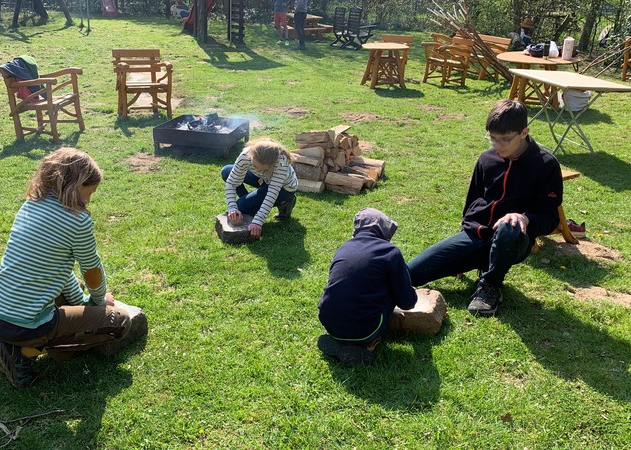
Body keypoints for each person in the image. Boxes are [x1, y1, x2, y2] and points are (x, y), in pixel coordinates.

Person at [0, 148, 132, 388]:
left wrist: (82, 303)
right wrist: (99, 303)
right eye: (89, 192)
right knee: (120, 321)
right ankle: (23, 355)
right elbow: (92, 270)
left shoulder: (30, 206)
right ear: (75, 185)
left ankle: (12, 341)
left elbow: (60, 272)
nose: (89, 200)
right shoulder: (78, 221)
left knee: (75, 291)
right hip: (23, 325)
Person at [407, 100, 563, 317]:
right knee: (408, 275)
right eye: (493, 139)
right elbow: (473, 201)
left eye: (505, 140)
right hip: (476, 236)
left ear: (524, 132)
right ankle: (480, 262)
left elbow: (550, 218)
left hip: (514, 240)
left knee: (509, 225)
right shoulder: (486, 159)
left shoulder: (546, 164)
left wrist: (525, 218)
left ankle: (490, 287)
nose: (498, 146)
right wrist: (459, 247)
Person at [317, 208, 418, 365]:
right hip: (365, 329)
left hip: (329, 321)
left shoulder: (343, 248)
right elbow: (407, 303)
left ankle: (341, 342)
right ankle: (368, 343)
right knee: (391, 289)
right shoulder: (391, 252)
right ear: (385, 231)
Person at [221, 138, 298, 238]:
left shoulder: (280, 163)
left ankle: (285, 200)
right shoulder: (246, 154)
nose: (257, 169)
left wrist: (258, 221)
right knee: (227, 171)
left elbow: (272, 193)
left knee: (241, 207)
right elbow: (231, 182)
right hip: (264, 179)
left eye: (263, 169)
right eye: (254, 166)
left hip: (284, 188)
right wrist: (232, 207)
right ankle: (250, 203)